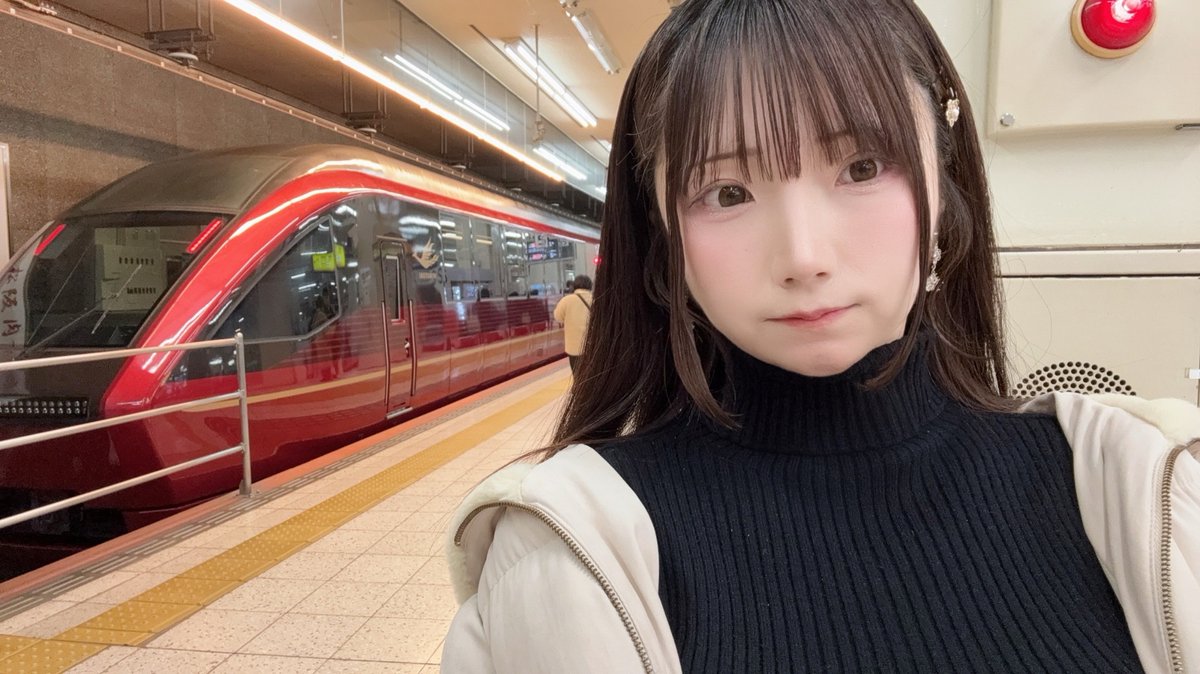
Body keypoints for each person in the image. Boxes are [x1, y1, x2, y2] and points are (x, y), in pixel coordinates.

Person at [443, 1, 1200, 672]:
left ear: (945, 188)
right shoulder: (567, 548)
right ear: (664, 238)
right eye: (727, 192)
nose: (803, 257)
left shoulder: (1144, 483)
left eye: (862, 166)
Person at [552, 275, 593, 373]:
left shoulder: (566, 300)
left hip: (574, 348)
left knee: (577, 375)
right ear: (590, 286)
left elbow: (558, 317)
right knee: (592, 374)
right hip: (593, 346)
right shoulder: (596, 299)